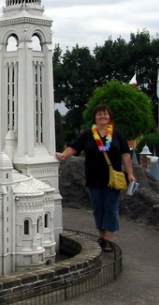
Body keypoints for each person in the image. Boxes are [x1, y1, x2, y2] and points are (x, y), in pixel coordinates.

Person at [56, 104, 135, 252]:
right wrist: (63, 155)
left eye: (105, 114)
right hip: (93, 177)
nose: (102, 117)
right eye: (99, 114)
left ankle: (108, 240)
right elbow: (74, 148)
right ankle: (102, 235)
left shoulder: (117, 134)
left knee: (111, 208)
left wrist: (130, 174)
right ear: (95, 118)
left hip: (113, 178)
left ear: (109, 117)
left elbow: (125, 154)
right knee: (98, 208)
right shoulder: (88, 134)